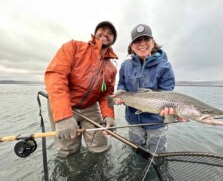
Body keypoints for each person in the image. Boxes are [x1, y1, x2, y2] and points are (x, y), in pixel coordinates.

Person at [45, 21, 118, 157]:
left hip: (90, 107)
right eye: (102, 30)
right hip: (66, 104)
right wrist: (63, 116)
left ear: (113, 40)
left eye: (110, 33)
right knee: (68, 149)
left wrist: (109, 115)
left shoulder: (112, 69)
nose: (105, 34)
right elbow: (56, 76)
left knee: (100, 146)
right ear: (95, 32)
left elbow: (106, 94)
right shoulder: (73, 47)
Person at [115, 24, 175, 154]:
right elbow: (121, 85)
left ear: (153, 42)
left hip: (156, 123)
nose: (142, 44)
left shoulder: (165, 67)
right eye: (137, 40)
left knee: (157, 155)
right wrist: (119, 94)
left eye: (146, 39)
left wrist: (170, 111)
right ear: (132, 46)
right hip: (133, 120)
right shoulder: (125, 65)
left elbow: (167, 94)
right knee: (137, 153)